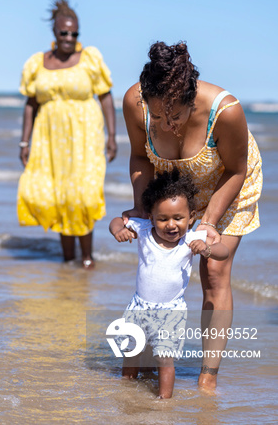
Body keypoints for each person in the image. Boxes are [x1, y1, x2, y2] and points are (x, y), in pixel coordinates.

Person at [122, 41, 263, 390]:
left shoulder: (225, 110)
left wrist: (209, 223)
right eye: (157, 117)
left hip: (226, 180)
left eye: (175, 117)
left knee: (214, 269)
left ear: (191, 100)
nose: (166, 126)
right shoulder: (133, 103)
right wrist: (142, 207)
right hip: (173, 188)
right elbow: (141, 157)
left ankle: (207, 376)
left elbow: (236, 170)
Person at [110, 169, 229, 399]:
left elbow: (223, 252)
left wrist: (208, 249)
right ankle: (126, 388)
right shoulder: (144, 230)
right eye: (163, 219)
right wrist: (119, 230)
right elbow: (117, 220)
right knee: (131, 353)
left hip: (170, 313)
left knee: (165, 360)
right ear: (152, 217)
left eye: (178, 218)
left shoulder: (192, 239)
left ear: (191, 217)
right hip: (139, 307)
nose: (171, 225)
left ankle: (164, 401)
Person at [17, 0, 117, 268]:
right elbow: (30, 104)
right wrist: (24, 141)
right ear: (54, 32)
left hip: (86, 138)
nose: (69, 37)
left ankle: (86, 257)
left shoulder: (90, 59)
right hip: (49, 140)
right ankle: (67, 259)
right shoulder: (37, 63)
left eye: (75, 33)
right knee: (59, 194)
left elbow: (106, 97)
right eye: (64, 32)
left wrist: (111, 136)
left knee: (82, 194)